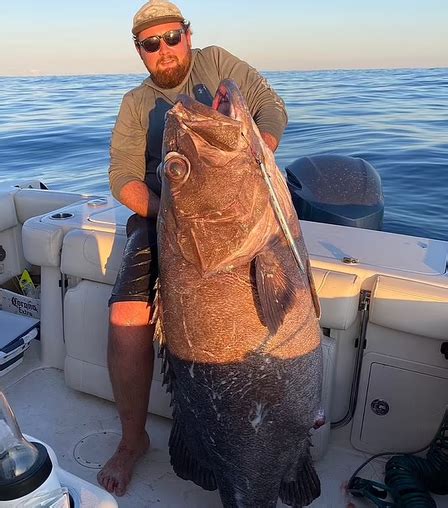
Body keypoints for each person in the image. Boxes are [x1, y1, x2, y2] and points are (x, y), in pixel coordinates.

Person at [97, 0, 288, 497]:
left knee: (282, 304)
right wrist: (176, 209)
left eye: (171, 37)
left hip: (241, 202)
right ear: (140, 52)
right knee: (126, 317)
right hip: (166, 215)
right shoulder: (135, 103)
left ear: (187, 34)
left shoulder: (217, 62)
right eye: (150, 44)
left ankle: (281, 432)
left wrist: (253, 153)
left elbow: (271, 106)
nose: (164, 50)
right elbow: (121, 177)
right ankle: (132, 439)